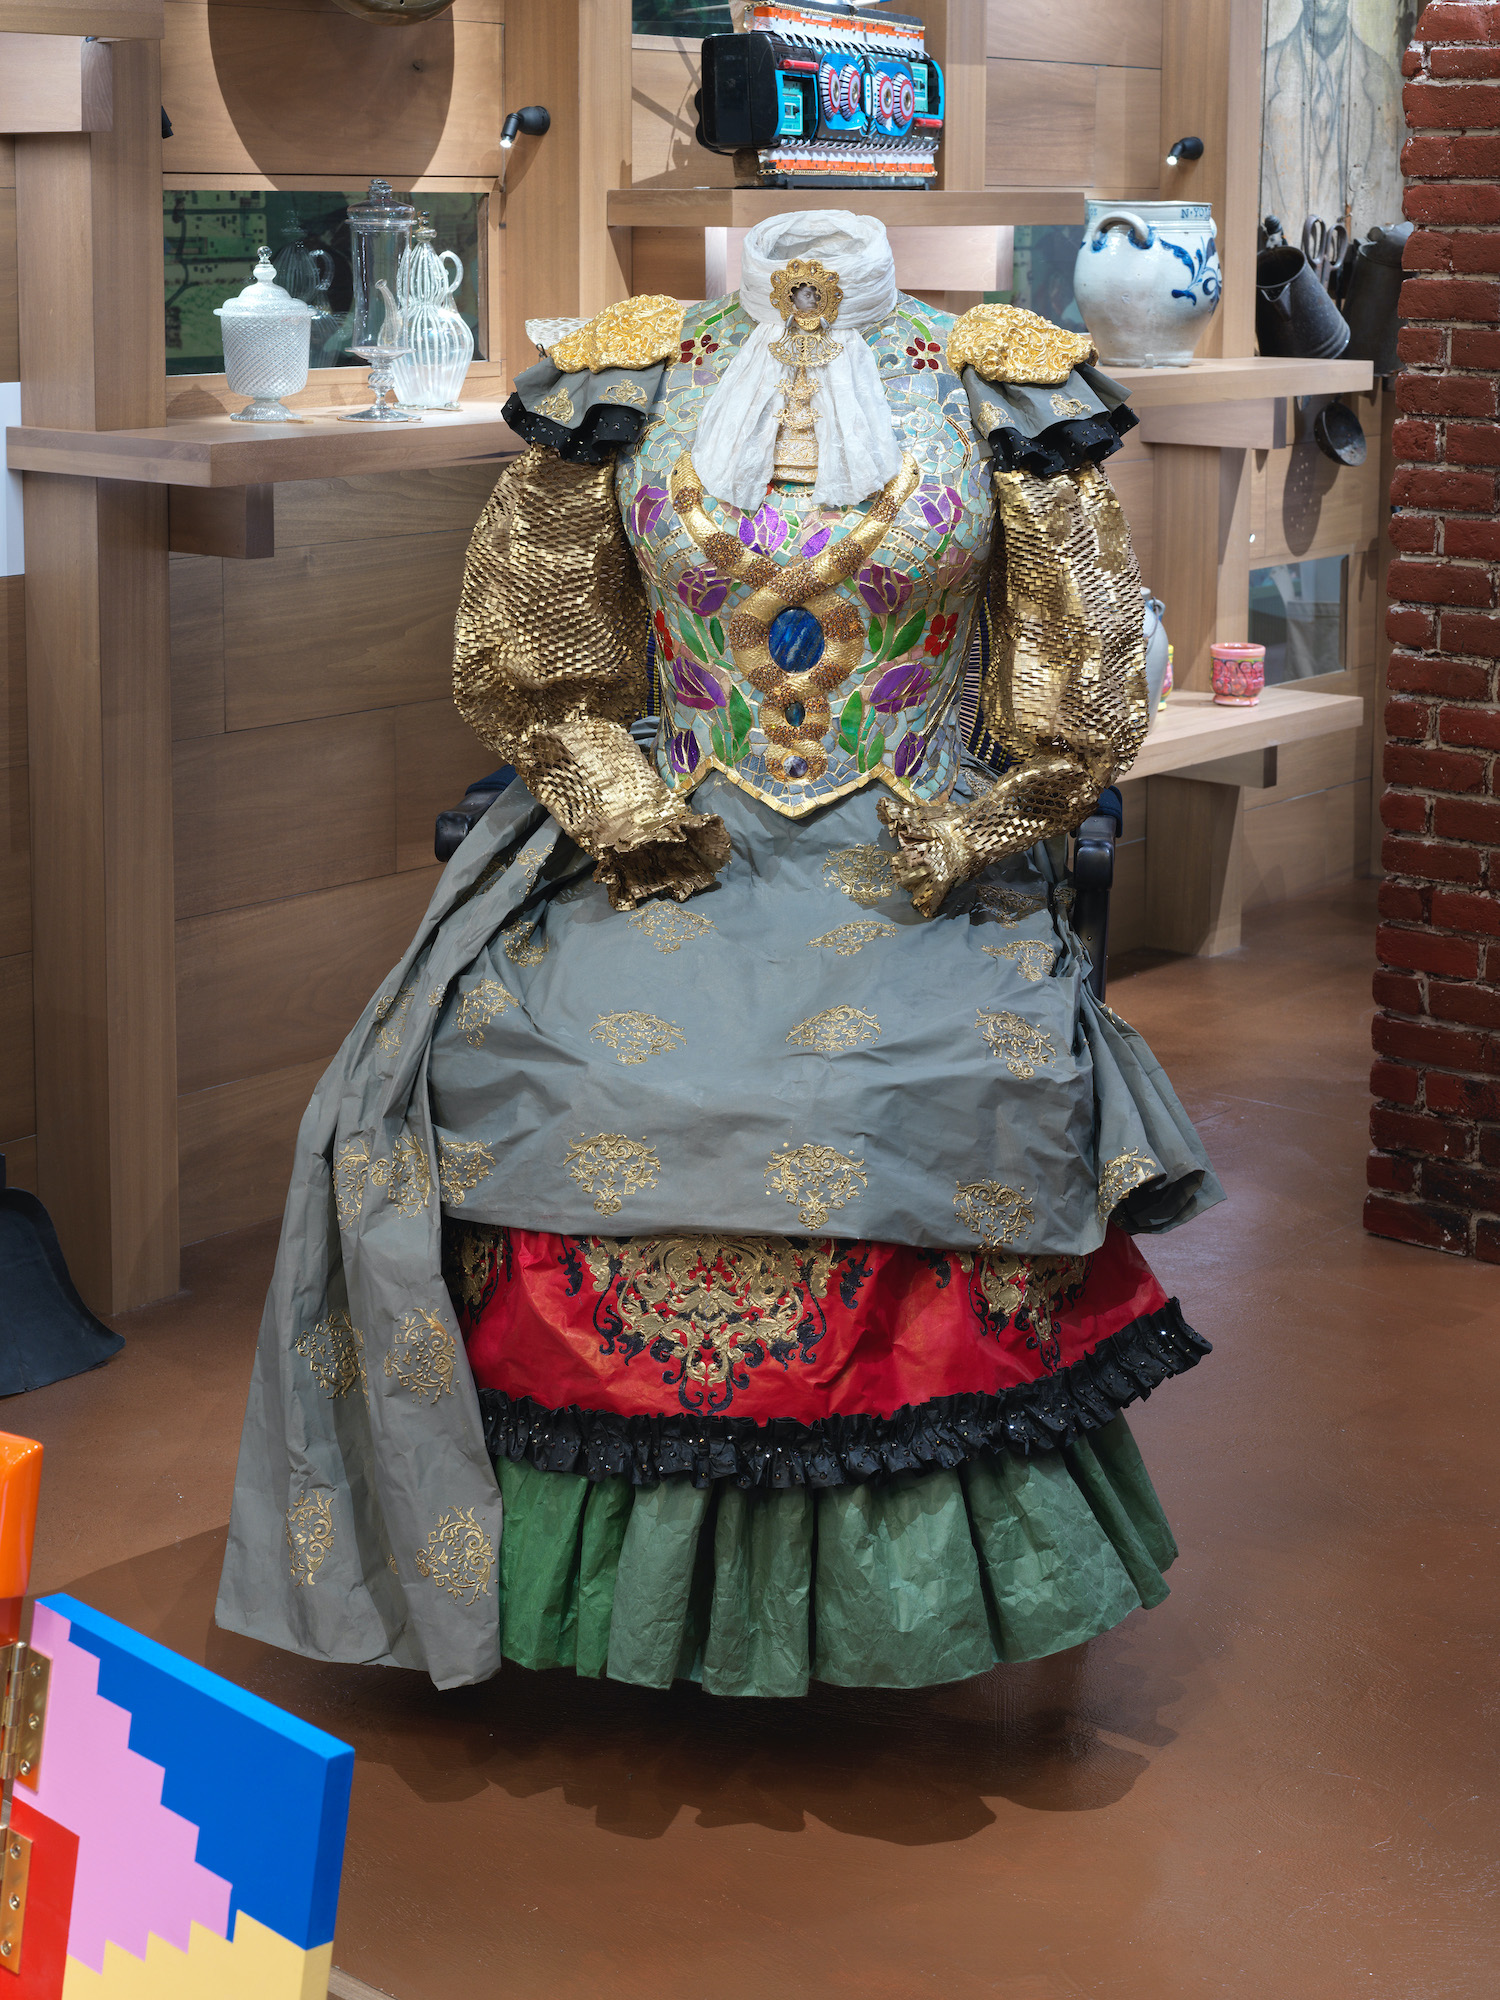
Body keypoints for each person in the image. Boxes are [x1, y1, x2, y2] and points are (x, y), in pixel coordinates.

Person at [218, 211, 1222, 1696]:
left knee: (876, 1092)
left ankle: (884, 1594)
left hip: (912, 850)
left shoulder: (999, 381)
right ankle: (558, 1579)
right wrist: (614, 798)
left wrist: (995, 820)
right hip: (671, 834)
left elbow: (1081, 682)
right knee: (537, 1058)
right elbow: (530, 649)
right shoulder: (627, 374)